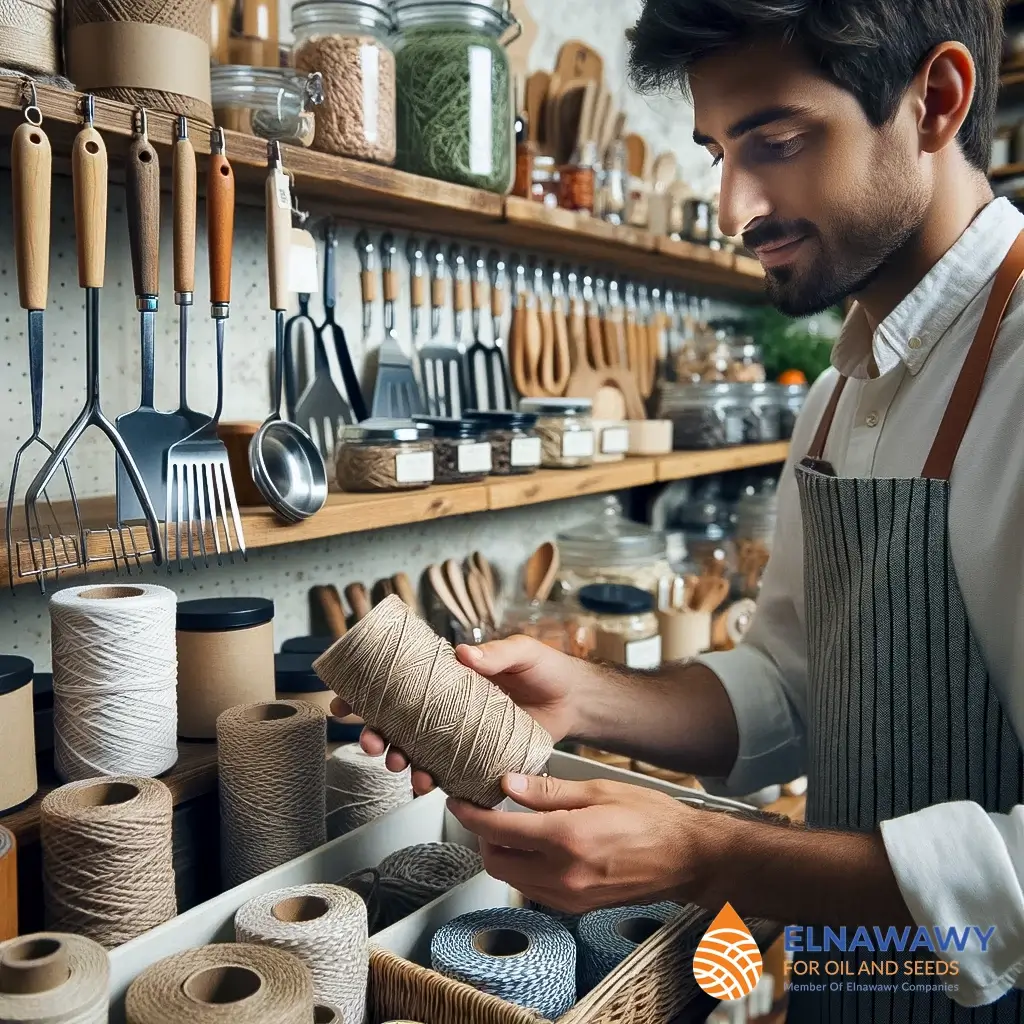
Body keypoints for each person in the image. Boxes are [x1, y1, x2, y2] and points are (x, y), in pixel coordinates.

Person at [334, 0, 1024, 1017]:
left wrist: (708, 853)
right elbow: (798, 683)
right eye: (714, 153)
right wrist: (588, 692)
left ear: (937, 101)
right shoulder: (839, 393)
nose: (732, 204)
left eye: (776, 142)